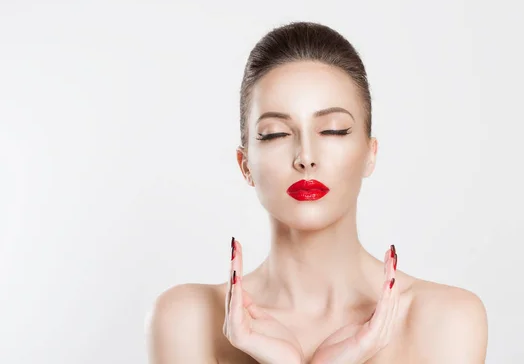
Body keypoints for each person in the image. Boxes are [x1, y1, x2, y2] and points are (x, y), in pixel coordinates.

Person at [147, 21, 488, 363]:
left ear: (370, 153)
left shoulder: (445, 320)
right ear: (245, 163)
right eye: (275, 134)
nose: (306, 157)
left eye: (333, 130)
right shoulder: (188, 319)